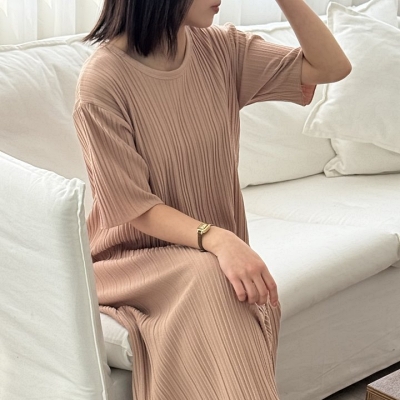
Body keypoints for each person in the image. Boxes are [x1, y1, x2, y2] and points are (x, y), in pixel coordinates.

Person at [73, 0, 351, 399]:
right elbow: (134, 206)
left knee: (228, 282)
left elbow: (331, 67)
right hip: (130, 261)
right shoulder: (102, 83)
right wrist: (218, 239)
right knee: (215, 278)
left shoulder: (221, 50)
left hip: (208, 254)